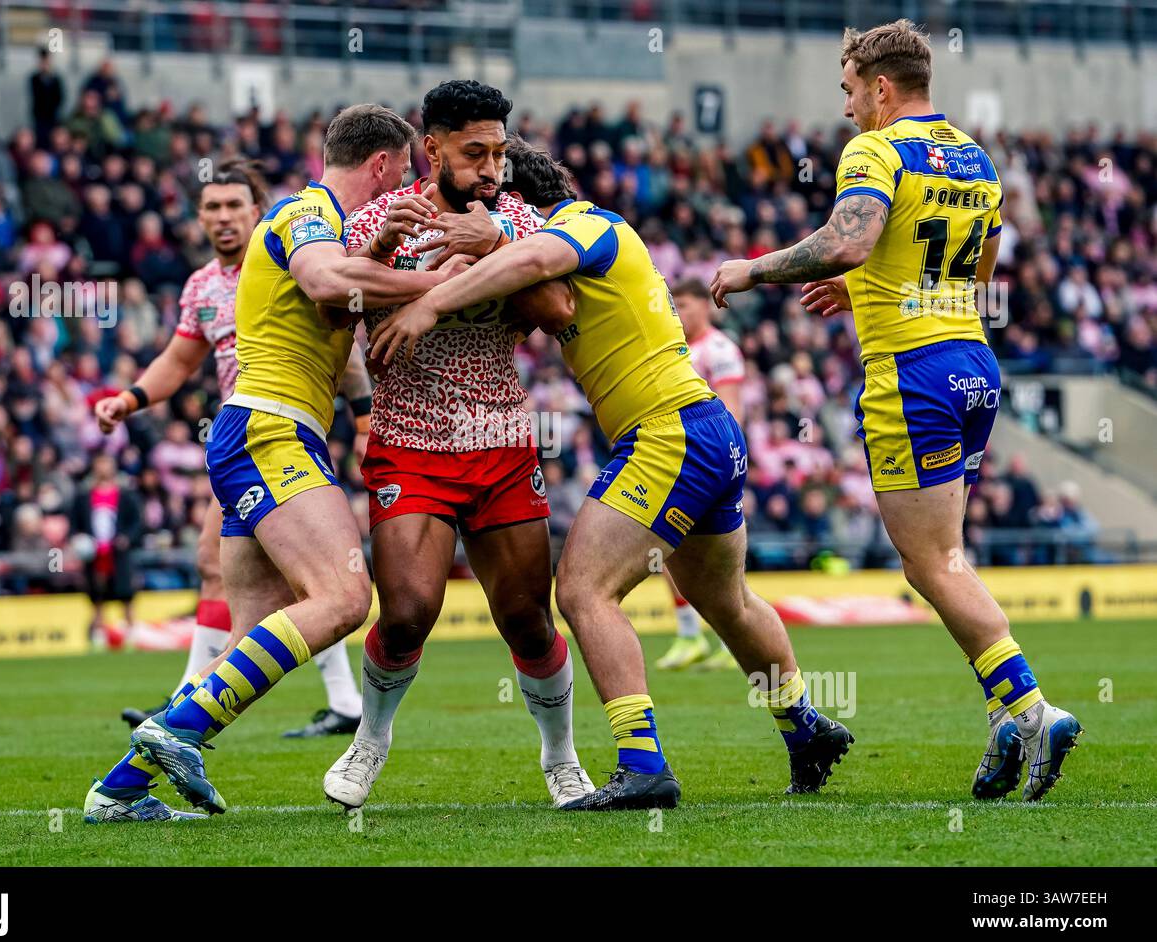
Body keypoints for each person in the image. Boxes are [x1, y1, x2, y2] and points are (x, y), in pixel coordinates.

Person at [372, 137, 854, 811]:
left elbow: (537, 256)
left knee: (582, 589)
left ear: (528, 204)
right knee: (727, 602)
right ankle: (804, 725)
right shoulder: (580, 240)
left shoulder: (585, 226)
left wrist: (433, 299)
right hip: (701, 430)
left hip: (668, 433)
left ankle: (643, 764)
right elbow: (544, 291)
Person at [714, 19, 1080, 801]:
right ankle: (1003, 719)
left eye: (849, 89)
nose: (846, 107)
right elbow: (976, 264)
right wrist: (870, 284)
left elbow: (846, 241)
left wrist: (753, 269)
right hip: (974, 363)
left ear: (881, 86)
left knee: (931, 563)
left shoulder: (875, 150)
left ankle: (1031, 708)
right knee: (946, 558)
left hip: (911, 374)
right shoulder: (978, 158)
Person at [84, 104, 471, 823]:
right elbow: (328, 286)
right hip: (271, 430)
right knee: (345, 598)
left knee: (251, 630)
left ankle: (118, 791)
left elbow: (335, 305)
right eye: (407, 173)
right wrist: (446, 289)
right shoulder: (303, 212)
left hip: (259, 432)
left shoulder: (328, 225)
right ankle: (175, 730)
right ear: (383, 165)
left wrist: (385, 254)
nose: (407, 188)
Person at [322, 81, 593, 810]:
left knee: (529, 618)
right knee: (408, 609)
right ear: (431, 146)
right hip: (410, 439)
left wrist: (500, 242)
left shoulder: (519, 217)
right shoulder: (382, 216)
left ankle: (561, 757)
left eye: (500, 152)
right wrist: (388, 256)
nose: (492, 168)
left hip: (502, 439)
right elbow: (334, 301)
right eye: (475, 153)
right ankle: (371, 739)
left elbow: (556, 307)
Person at [93, 159, 366, 740]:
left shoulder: (293, 254)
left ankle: (184, 706)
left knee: (280, 578)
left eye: (233, 206)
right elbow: (179, 359)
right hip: (246, 436)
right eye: (211, 207)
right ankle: (202, 709)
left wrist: (364, 419)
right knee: (270, 578)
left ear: (257, 210)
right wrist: (132, 398)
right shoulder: (201, 286)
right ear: (198, 216)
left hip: (286, 432)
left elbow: (346, 345)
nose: (221, 217)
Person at [653, 277, 745, 673]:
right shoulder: (672, 349)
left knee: (717, 557)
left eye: (687, 305)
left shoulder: (720, 349)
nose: (680, 311)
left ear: (705, 307)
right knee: (665, 551)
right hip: (675, 460)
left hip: (710, 462)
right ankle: (689, 634)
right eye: (676, 304)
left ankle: (726, 639)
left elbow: (732, 410)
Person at [73, 452, 143, 643]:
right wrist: (79, 539)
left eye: (107, 462)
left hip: (118, 552)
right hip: (94, 553)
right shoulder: (83, 496)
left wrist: (127, 538)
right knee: (96, 593)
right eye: (100, 463)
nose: (103, 467)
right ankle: (98, 633)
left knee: (125, 592)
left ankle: (131, 632)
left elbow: (137, 522)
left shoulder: (126, 495)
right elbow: (75, 524)